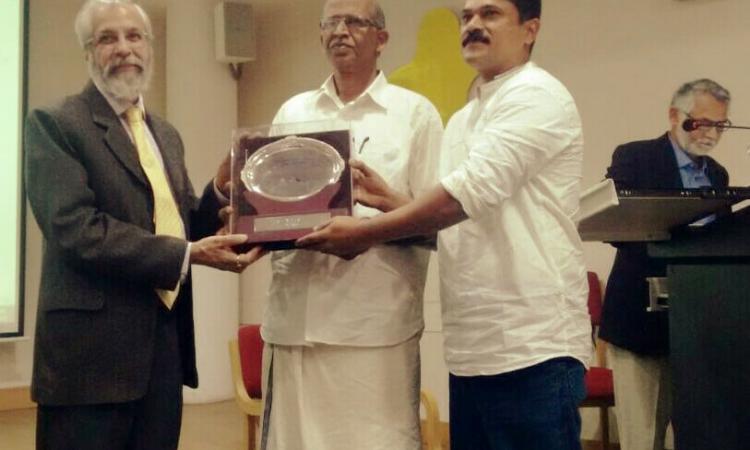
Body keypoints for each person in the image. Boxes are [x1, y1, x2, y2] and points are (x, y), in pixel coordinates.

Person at [298, 1, 591, 449]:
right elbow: (457, 225)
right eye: (466, 16)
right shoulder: (463, 118)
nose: (472, 25)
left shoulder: (537, 95)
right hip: (472, 348)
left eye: (490, 14)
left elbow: (458, 200)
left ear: (530, 29)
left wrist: (367, 230)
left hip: (532, 347)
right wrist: (391, 203)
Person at [24, 1, 262, 449]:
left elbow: (178, 222)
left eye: (134, 36)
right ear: (88, 53)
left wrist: (217, 191)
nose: (124, 48)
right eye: (107, 38)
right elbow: (76, 229)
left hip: (160, 357)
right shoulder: (56, 124)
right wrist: (188, 255)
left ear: (149, 48)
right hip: (88, 364)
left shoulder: (164, 134)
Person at [258, 0, 443, 449]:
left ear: (382, 39)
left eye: (355, 22)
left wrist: (374, 224)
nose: (341, 31)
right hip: (295, 321)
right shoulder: (293, 112)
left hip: (375, 327)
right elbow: (269, 208)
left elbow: (440, 223)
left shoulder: (415, 115)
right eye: (331, 23)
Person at [598, 79, 731, 450]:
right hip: (639, 318)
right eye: (700, 122)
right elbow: (615, 225)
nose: (709, 133)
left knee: (691, 431)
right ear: (675, 116)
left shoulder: (717, 174)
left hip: (694, 322)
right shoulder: (635, 157)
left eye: (719, 125)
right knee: (642, 438)